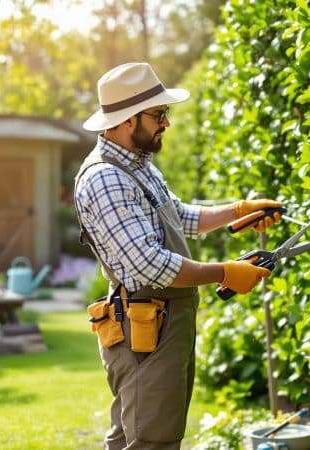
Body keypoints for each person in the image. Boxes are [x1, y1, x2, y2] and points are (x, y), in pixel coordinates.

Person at [74, 62, 280, 449]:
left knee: (136, 436)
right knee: (153, 440)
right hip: (145, 328)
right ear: (127, 119)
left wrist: (237, 210)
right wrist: (224, 272)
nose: (165, 123)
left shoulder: (136, 166)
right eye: (158, 114)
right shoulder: (106, 177)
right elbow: (149, 264)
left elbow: (179, 216)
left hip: (163, 321)